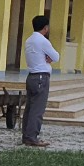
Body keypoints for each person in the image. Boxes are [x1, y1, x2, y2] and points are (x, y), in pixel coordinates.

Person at [22, 15, 58, 147]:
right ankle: (32, 137)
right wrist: (48, 57)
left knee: (30, 108)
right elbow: (56, 56)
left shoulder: (29, 40)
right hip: (41, 76)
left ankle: (26, 135)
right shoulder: (43, 41)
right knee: (37, 109)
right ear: (46, 28)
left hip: (31, 76)